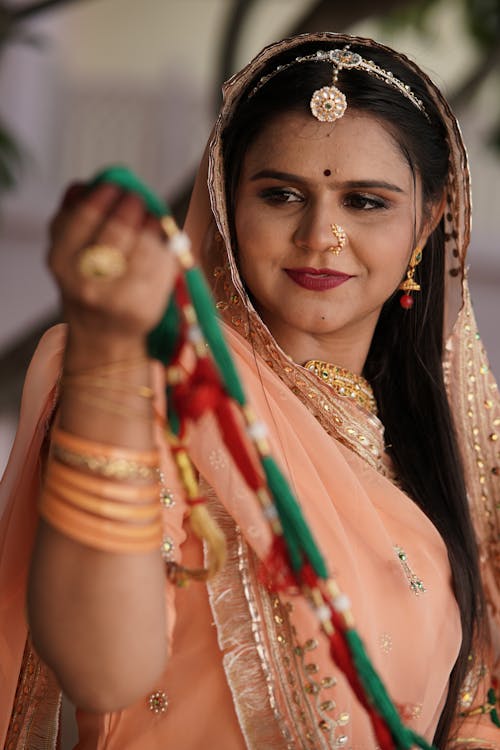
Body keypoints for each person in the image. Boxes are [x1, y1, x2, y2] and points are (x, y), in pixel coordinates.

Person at [1, 30, 499, 750]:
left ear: (426, 221)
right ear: (228, 202)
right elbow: (101, 673)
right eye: (281, 195)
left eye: (365, 202)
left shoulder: (436, 443)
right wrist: (108, 361)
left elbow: (472, 704)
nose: (320, 235)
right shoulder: (152, 384)